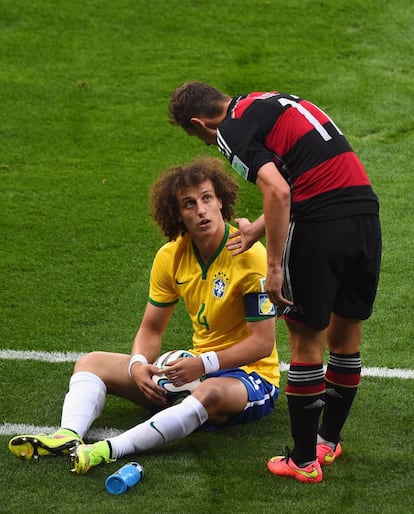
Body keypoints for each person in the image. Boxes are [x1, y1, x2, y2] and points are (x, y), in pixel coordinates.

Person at [8, 156, 280, 475]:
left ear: (221, 200)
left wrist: (203, 364)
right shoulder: (171, 256)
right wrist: (138, 365)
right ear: (177, 214)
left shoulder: (251, 257)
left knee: (211, 392)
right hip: (195, 366)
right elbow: (151, 329)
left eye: (207, 198)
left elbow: (262, 344)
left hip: (249, 376)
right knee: (91, 362)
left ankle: (107, 450)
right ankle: (68, 436)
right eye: (189, 204)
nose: (201, 210)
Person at [169, 82, 382, 483]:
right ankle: (327, 442)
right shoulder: (266, 102)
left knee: (304, 343)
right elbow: (304, 178)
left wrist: (274, 263)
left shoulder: (229, 129)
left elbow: (279, 190)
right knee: (346, 337)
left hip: (320, 225)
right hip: (364, 216)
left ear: (199, 123)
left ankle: (302, 462)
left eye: (197, 135)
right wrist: (256, 230)